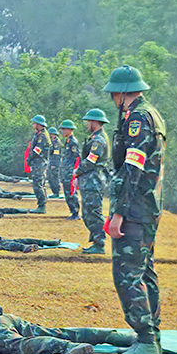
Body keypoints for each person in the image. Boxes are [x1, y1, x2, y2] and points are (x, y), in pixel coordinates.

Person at [103, 66, 166, 354]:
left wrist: (118, 213)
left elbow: (132, 170)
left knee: (127, 274)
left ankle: (145, 338)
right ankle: (152, 334)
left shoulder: (138, 119)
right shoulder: (150, 114)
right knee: (145, 271)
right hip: (147, 207)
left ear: (120, 92)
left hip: (135, 209)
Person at [75, 108, 112, 253]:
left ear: (95, 122)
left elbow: (91, 161)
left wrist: (77, 172)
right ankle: (96, 240)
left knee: (93, 212)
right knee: (88, 212)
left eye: (89, 121)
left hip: (93, 180)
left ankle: (99, 243)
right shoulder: (96, 138)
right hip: (90, 180)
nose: (87, 124)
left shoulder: (98, 141)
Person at [24, 116, 53, 211]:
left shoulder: (42, 136)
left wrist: (29, 159)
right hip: (38, 163)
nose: (33, 125)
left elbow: (37, 150)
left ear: (38, 124)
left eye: (34, 123)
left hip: (39, 163)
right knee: (38, 183)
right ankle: (41, 204)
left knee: (38, 183)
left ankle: (41, 206)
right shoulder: (39, 134)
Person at [57, 121, 83, 219]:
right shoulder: (68, 141)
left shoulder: (73, 142)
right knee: (67, 193)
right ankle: (73, 212)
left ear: (70, 130)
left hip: (70, 172)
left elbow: (77, 158)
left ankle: (75, 212)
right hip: (66, 171)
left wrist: (75, 172)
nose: (62, 131)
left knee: (71, 193)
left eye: (64, 129)